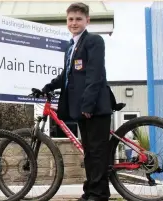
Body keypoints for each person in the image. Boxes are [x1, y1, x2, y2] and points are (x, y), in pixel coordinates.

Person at [42, 3, 113, 201]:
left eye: (78, 19)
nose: (74, 23)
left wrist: (88, 105)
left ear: (87, 21)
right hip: (82, 107)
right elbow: (68, 74)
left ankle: (98, 195)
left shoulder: (94, 41)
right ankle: (91, 191)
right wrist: (49, 86)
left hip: (95, 107)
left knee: (97, 153)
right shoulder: (71, 46)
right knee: (89, 153)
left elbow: (95, 74)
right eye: (71, 19)